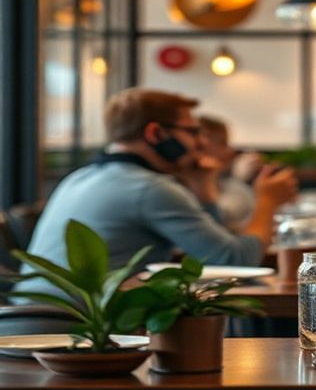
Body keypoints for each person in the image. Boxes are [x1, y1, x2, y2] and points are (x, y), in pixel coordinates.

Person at [15, 89, 288, 298]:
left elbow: (215, 248)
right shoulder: (149, 188)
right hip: (78, 328)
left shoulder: (80, 177)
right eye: (192, 132)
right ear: (155, 133)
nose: (201, 143)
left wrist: (203, 188)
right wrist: (267, 200)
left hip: (31, 321)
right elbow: (235, 261)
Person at [197, 114, 297, 233]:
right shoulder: (194, 185)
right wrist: (239, 179)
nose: (230, 150)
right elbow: (223, 218)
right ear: (202, 142)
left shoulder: (222, 181)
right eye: (223, 143)